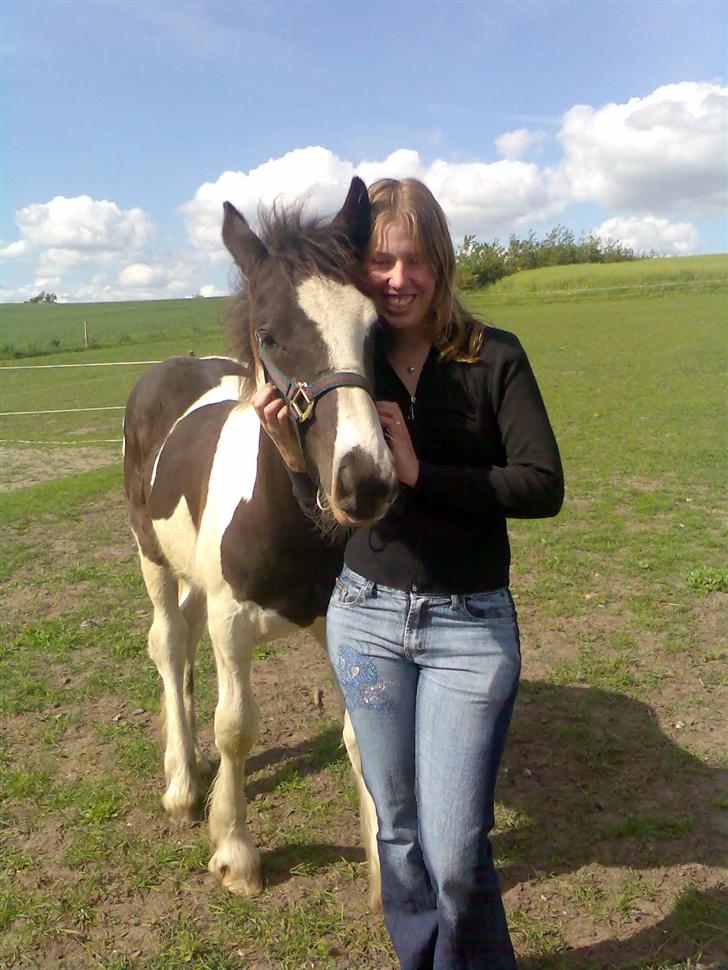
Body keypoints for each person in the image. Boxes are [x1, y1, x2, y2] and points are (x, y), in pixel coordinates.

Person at [253, 178, 563, 970]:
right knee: (394, 829)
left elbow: (542, 484)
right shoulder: (354, 356)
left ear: (441, 264)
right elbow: (334, 515)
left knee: (458, 851)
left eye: (413, 260)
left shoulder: (494, 356)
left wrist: (425, 472)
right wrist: (294, 455)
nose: (396, 279)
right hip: (368, 617)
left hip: (470, 624)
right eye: (380, 261)